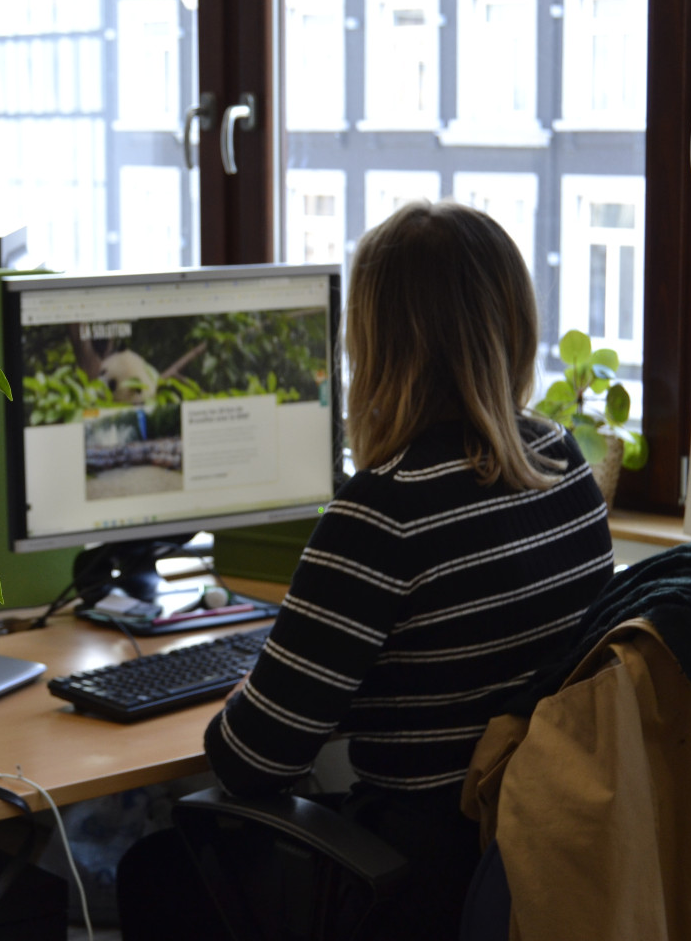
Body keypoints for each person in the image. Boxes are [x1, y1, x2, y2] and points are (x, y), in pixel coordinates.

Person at [117, 200, 615, 941]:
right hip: (524, 856)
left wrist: (265, 674)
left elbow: (250, 761)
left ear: (375, 342)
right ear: (512, 323)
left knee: (156, 869)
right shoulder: (561, 461)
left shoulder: (383, 514)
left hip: (415, 882)